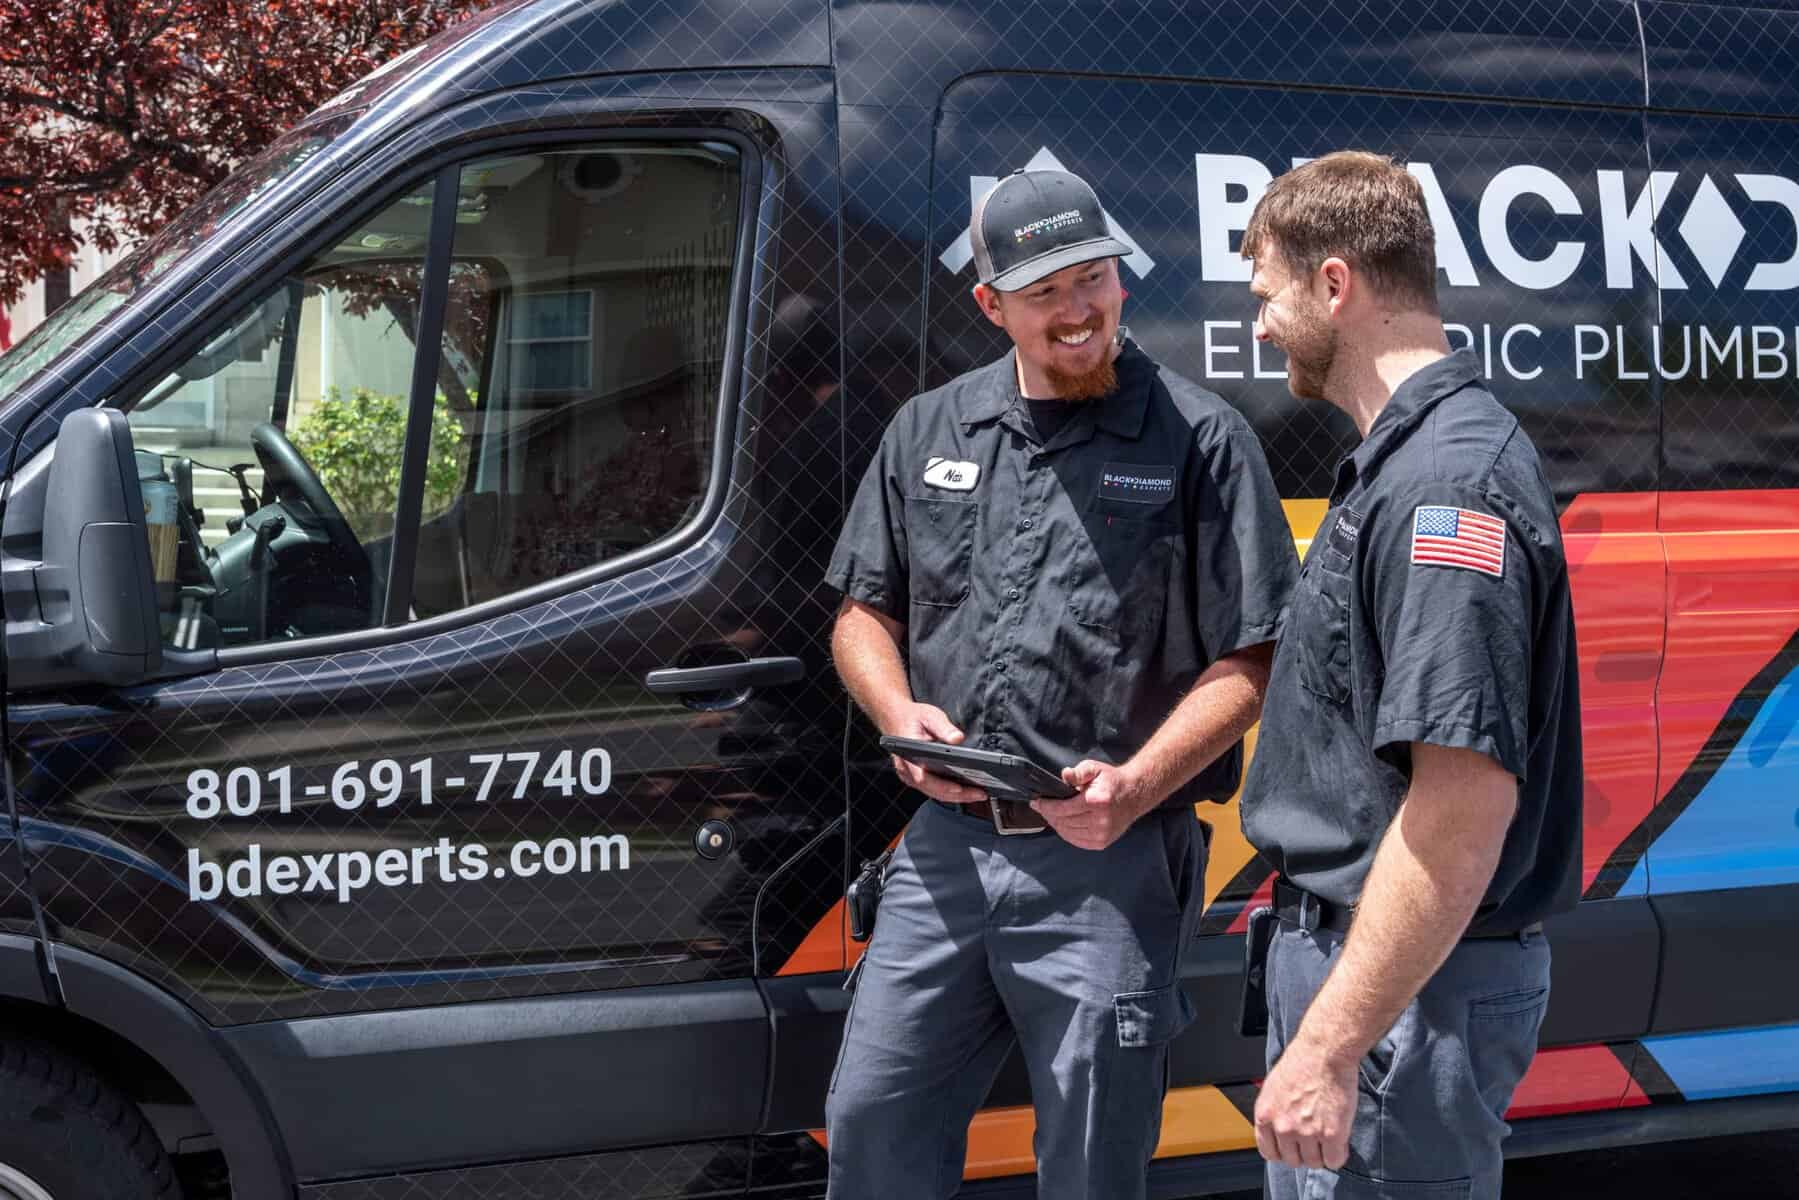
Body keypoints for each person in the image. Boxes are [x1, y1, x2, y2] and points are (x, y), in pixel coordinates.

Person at [822, 168, 1298, 1200]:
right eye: (1045, 293)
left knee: (1090, 1166)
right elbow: (862, 614)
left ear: (1123, 279)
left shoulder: (1200, 440)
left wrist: (1132, 785)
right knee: (869, 1127)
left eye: (1093, 279)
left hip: (1107, 867)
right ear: (992, 306)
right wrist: (897, 713)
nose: (1077, 310)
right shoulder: (927, 431)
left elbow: (1254, 660)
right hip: (943, 857)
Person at [1238, 151, 1583, 1200]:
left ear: (1332, 284)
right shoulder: (1404, 462)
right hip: (1380, 986)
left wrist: (1330, 1049)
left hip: (1400, 1003)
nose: (1259, 326)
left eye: (1266, 293)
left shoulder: (1442, 487)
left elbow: (1459, 806)